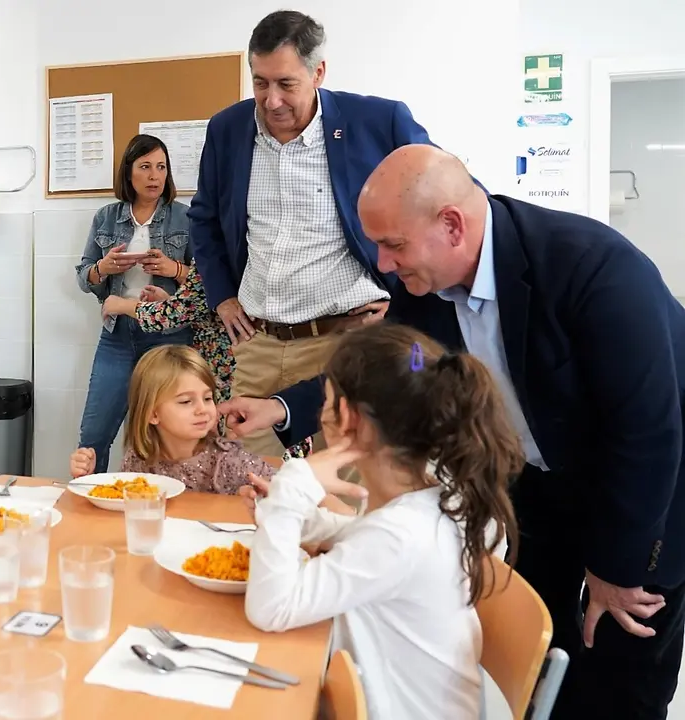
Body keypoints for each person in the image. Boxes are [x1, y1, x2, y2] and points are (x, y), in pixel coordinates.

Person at [226, 144, 685, 719]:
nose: (384, 265)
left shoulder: (593, 268)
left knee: (620, 681)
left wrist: (617, 569)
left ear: (451, 225)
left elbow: (649, 429)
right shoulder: (426, 293)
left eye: (393, 245)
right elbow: (387, 374)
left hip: (649, 491)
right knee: (547, 655)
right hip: (541, 483)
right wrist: (282, 406)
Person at [189, 10, 448, 456]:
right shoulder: (228, 129)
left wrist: (400, 300)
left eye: (286, 84)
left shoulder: (377, 122)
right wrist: (222, 296)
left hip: (343, 340)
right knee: (243, 481)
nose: (271, 101)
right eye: (260, 82)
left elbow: (441, 194)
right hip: (259, 342)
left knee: (346, 485)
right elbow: (204, 218)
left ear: (318, 73)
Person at [241, 323, 521, 720]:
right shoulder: (436, 499)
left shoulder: (401, 533)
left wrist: (294, 486)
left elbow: (271, 609)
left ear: (349, 417)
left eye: (327, 399)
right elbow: (368, 541)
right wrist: (296, 521)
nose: (320, 413)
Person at [101, 262, 313, 459]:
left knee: (239, 443)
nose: (200, 409)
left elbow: (176, 312)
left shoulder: (218, 251)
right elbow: (200, 304)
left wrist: (123, 305)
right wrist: (172, 299)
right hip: (233, 360)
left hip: (233, 364)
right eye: (186, 402)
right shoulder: (225, 247)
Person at [75, 134, 193, 473]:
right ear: (129, 173)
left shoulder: (185, 218)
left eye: (161, 167)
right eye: (145, 167)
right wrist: (104, 268)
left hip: (170, 336)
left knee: (169, 435)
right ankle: (89, 510)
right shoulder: (107, 218)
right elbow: (84, 276)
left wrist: (174, 269)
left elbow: (206, 284)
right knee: (94, 434)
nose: (155, 176)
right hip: (117, 336)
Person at [69, 346, 283, 495]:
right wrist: (86, 480)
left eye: (208, 398)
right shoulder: (139, 460)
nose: (203, 409)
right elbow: (123, 507)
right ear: (153, 414)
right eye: (186, 401)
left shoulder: (230, 461)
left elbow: (286, 491)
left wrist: (261, 498)